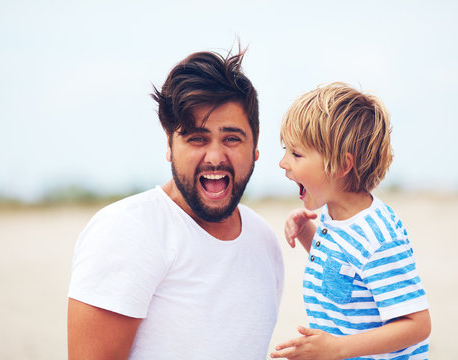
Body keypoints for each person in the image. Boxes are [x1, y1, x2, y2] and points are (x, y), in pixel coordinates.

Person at [67, 49, 284, 360]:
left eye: (232, 139)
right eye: (197, 138)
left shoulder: (264, 240)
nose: (214, 156)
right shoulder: (128, 230)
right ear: (169, 145)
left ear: (256, 148)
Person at [271, 83, 431, 360]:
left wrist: (336, 349)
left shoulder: (378, 237)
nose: (283, 162)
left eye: (296, 154)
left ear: (343, 166)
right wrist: (308, 232)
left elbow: (417, 325)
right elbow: (343, 273)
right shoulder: (334, 217)